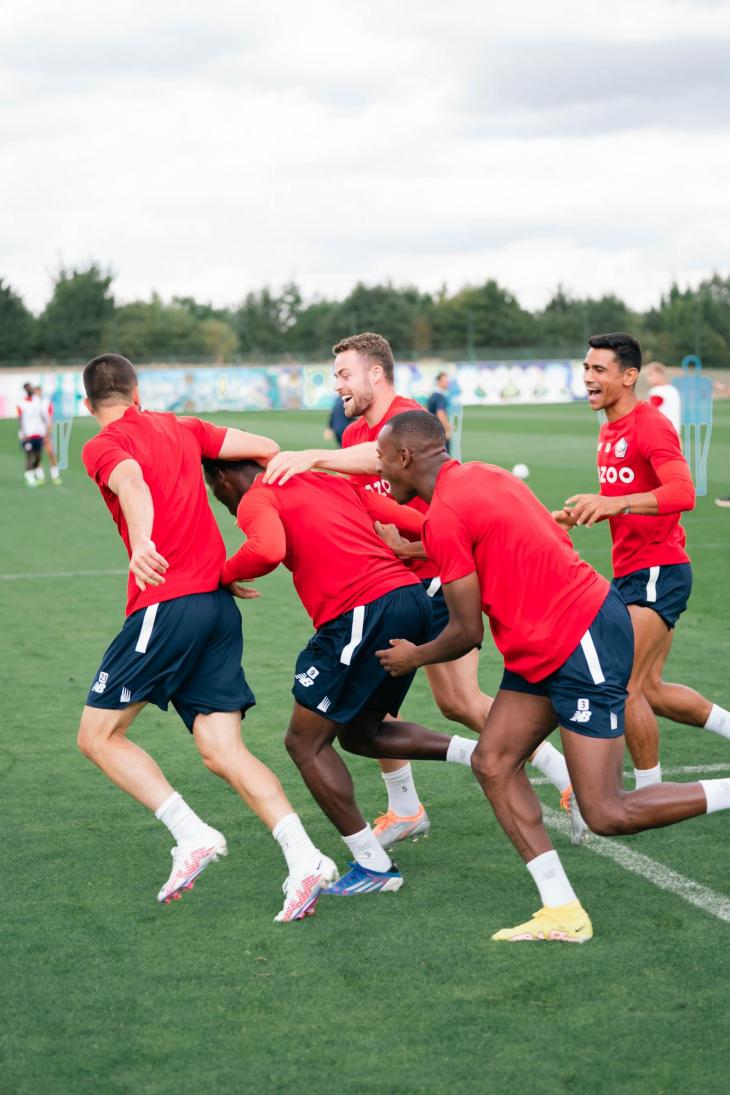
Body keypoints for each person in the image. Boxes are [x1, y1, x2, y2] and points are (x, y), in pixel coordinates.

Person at [375, 409, 730, 942]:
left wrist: (414, 657)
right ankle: (562, 910)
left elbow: (466, 632)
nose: (381, 470)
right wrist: (422, 548)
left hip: (580, 634)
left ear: (405, 457)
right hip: (544, 642)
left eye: (383, 458)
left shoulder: (445, 513)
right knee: (492, 762)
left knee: (607, 812)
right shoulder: (483, 475)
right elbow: (490, 535)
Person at [262, 332, 585, 845]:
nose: (337, 385)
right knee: (375, 706)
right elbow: (365, 500)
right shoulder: (351, 436)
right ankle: (406, 806)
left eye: (344, 374)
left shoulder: (406, 421)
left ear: (375, 374)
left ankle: (565, 776)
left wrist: (310, 458)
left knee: (456, 700)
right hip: (394, 586)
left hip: (436, 578)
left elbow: (382, 466)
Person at [77, 353, 336, 922]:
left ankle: (191, 833)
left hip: (166, 604)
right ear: (137, 390)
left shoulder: (101, 444)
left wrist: (142, 540)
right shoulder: (182, 427)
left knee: (97, 736)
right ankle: (305, 859)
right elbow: (267, 449)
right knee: (223, 750)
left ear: (87, 402)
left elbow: (131, 481)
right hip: (217, 606)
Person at [203, 456, 479, 896]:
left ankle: (373, 866)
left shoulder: (258, 496)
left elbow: (268, 550)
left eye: (218, 496)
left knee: (304, 743)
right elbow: (410, 518)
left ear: (222, 477)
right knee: (359, 733)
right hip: (410, 601)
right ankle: (479, 754)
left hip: (362, 610)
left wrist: (222, 575)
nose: (225, 505)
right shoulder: (323, 481)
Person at [554, 333, 730, 788]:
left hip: (658, 570)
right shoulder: (609, 427)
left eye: (599, 370)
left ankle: (649, 791)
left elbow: (683, 492)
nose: (588, 378)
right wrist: (581, 513)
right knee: (650, 689)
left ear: (629, 376)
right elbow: (619, 495)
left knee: (621, 683)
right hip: (635, 571)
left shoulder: (648, 424)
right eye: (586, 368)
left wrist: (620, 504)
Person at [17, 382, 47, 487]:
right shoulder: (21, 403)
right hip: (28, 434)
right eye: (28, 388)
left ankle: (32, 472)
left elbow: (42, 415)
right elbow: (20, 419)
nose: (30, 389)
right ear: (25, 390)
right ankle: (30, 477)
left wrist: (45, 429)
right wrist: (23, 433)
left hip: (38, 433)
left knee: (38, 456)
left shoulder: (37, 401)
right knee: (29, 456)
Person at [34, 385, 63, 484]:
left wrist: (48, 432)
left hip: (45, 432)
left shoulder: (46, 403)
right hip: (35, 433)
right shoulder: (32, 403)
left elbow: (50, 418)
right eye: (37, 391)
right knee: (37, 456)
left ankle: (55, 476)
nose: (38, 393)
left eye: (39, 391)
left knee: (51, 453)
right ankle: (40, 476)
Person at [644, 361, 681, 435]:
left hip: (662, 434)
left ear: (659, 374)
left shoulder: (657, 391)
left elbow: (649, 411)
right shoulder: (673, 390)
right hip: (675, 433)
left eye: (650, 374)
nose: (647, 379)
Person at [427, 372, 452, 453]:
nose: (447, 383)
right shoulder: (440, 397)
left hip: (432, 433)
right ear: (439, 382)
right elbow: (440, 414)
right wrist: (447, 427)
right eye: (445, 381)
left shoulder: (433, 396)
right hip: (439, 434)